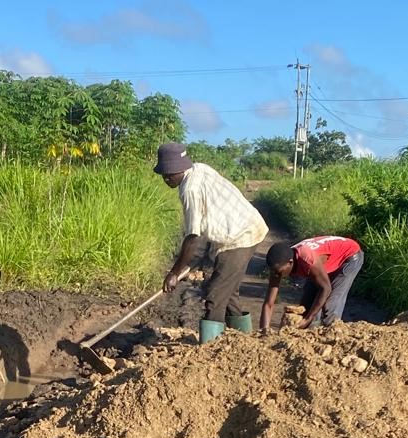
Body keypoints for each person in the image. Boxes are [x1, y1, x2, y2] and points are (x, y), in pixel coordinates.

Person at [153, 142, 269, 343]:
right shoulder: (199, 168)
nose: (166, 178)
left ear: (180, 168)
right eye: (163, 174)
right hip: (244, 227)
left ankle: (206, 355)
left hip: (241, 235)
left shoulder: (189, 190)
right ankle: (246, 343)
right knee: (228, 292)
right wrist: (190, 262)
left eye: (169, 174)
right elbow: (206, 223)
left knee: (215, 296)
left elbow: (193, 237)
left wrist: (174, 273)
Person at [260, 236, 364, 330]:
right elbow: (269, 303)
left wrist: (308, 319)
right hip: (321, 265)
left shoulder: (307, 260)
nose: (276, 275)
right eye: (274, 272)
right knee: (305, 308)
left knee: (329, 308)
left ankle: (332, 339)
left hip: (349, 256)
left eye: (279, 272)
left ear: (290, 262)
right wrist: (264, 332)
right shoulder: (278, 267)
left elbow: (326, 288)